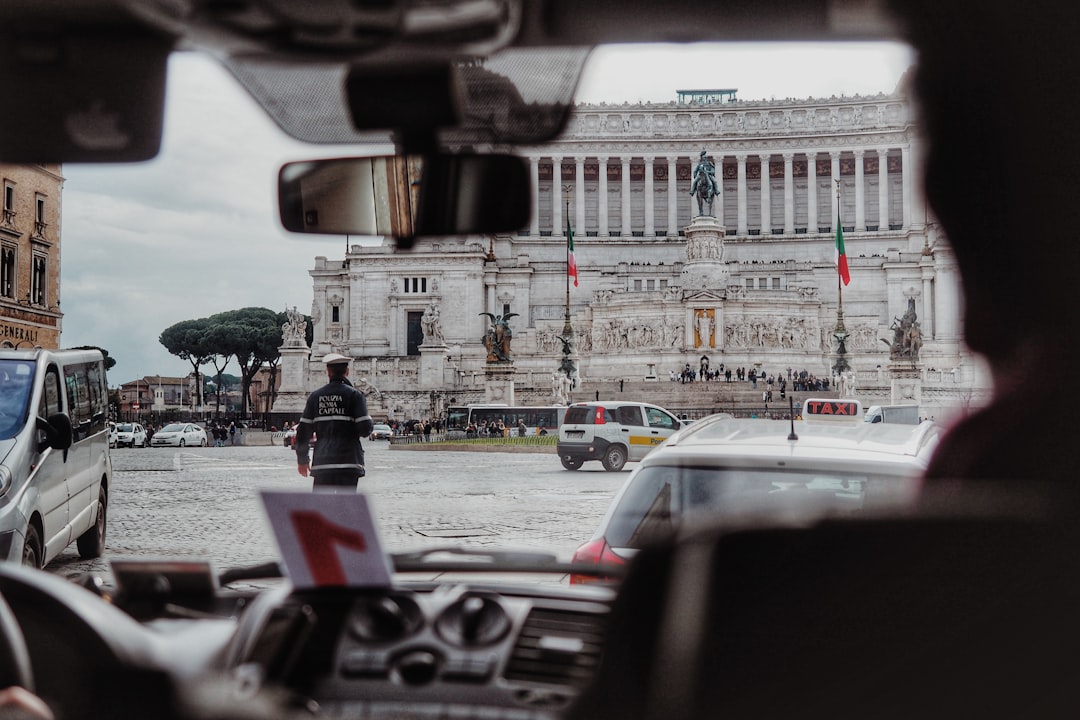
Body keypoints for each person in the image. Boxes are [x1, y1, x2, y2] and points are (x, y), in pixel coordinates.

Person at [295, 353, 373, 491]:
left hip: (323, 463)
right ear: (347, 372)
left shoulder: (315, 397)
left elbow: (303, 431)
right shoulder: (355, 395)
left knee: (322, 510)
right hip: (349, 463)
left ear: (328, 372)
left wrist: (302, 459)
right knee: (346, 508)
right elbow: (365, 429)